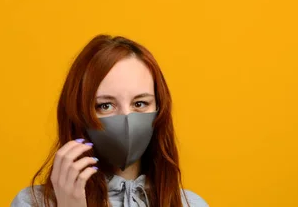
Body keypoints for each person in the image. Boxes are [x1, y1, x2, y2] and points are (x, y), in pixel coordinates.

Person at [11, 35, 208, 207]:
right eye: (105, 106)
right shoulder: (33, 203)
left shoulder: (191, 204)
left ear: (159, 111)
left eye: (140, 103)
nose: (126, 119)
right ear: (78, 113)